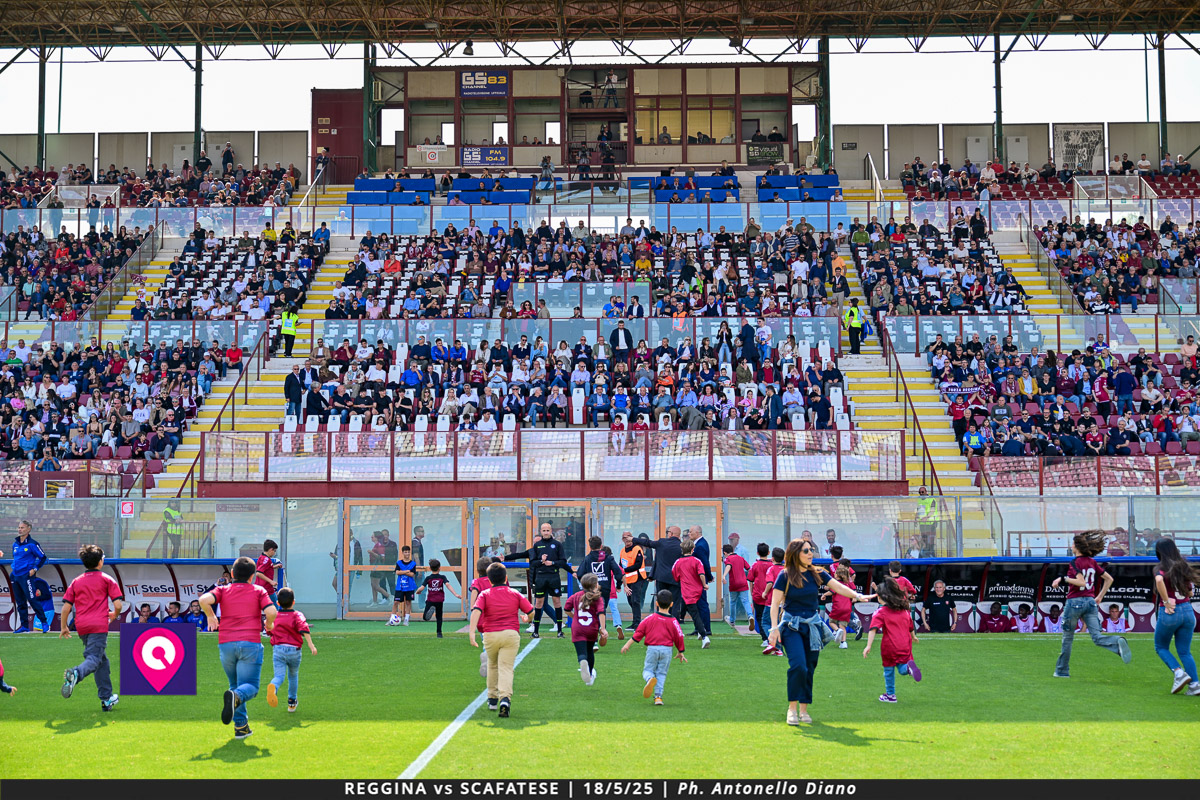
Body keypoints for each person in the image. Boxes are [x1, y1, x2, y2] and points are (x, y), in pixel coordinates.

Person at [766, 539, 871, 726]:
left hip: (813, 626)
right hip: (791, 626)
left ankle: (804, 710)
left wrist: (857, 596)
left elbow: (838, 587)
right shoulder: (785, 575)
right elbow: (774, 604)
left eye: (811, 550)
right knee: (798, 665)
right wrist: (774, 628)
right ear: (795, 553)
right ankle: (792, 709)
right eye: (806, 550)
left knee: (809, 667)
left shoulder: (818, 573)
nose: (810, 553)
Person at [199, 556, 278, 740]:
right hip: (249, 643)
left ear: (232, 574)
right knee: (249, 687)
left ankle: (241, 727)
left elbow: (203, 599)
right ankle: (236, 700)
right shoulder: (258, 590)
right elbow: (271, 611)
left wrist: (211, 616)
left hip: (226, 644)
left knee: (236, 687)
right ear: (252, 576)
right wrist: (269, 625)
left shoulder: (223, 590)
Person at [1050, 530, 1132, 678]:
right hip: (1090, 601)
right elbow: (1109, 579)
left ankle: (1062, 671)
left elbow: (1081, 582)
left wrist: (1063, 579)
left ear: (1076, 547)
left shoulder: (1075, 562)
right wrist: (1100, 596)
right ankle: (1116, 641)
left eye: (1073, 544)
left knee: (1068, 638)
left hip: (1075, 601)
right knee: (1097, 637)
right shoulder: (1092, 562)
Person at [59, 544, 123, 712]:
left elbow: (66, 608)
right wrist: (114, 614)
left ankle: (106, 698)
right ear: (100, 562)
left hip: (82, 626)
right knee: (94, 659)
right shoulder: (107, 579)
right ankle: (76, 674)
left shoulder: (76, 581)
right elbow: (118, 604)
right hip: (98, 625)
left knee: (102, 661)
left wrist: (64, 626)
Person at [468, 562, 533, 718]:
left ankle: (492, 699)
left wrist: (471, 632)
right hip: (510, 634)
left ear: (489, 580)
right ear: (506, 578)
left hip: (490, 635)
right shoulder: (515, 593)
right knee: (506, 668)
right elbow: (531, 611)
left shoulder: (484, 594)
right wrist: (527, 619)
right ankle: (505, 699)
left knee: (492, 665)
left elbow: (476, 611)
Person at [620, 589, 687, 706]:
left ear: (656, 603)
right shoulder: (673, 621)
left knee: (647, 670)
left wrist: (627, 644)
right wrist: (680, 651)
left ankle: (650, 678)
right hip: (667, 650)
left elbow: (639, 632)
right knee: (661, 673)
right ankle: (658, 697)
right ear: (672, 604)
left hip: (652, 649)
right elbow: (679, 636)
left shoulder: (649, 618)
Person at [1151, 538, 1200, 695]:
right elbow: (1191, 592)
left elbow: (1159, 580)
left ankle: (1179, 673)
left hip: (1170, 612)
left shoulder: (1161, 567)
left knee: (1161, 647)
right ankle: (1195, 685)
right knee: (1185, 652)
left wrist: (1165, 601)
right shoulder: (1183, 566)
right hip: (1187, 610)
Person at [862, 576, 922, 703]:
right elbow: (911, 626)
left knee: (888, 670)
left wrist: (868, 646)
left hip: (890, 646)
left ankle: (890, 695)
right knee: (901, 668)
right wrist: (914, 636)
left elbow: (873, 629)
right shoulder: (904, 611)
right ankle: (909, 669)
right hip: (905, 644)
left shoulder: (880, 612)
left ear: (879, 597)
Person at [266, 587, 317, 714]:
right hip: (294, 650)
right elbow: (304, 628)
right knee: (293, 676)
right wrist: (311, 645)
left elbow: (269, 629)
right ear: (293, 602)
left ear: (277, 603)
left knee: (279, 676)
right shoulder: (297, 615)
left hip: (278, 649)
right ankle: (292, 702)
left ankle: (274, 686)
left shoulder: (275, 616)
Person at [521, 522, 571, 638]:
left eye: (548, 530)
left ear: (551, 531)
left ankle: (559, 630)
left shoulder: (557, 545)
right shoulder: (537, 545)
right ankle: (536, 631)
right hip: (541, 577)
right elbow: (533, 563)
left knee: (556, 602)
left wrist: (552, 563)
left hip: (554, 577)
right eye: (544, 531)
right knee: (538, 603)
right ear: (541, 531)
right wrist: (541, 561)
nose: (546, 533)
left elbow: (563, 561)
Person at [576, 535, 625, 638]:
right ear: (601, 546)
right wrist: (619, 585)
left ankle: (596, 635)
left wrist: (585, 586)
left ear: (590, 547)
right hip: (605, 589)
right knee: (601, 610)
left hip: (591, 589)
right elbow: (618, 573)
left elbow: (580, 573)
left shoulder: (588, 559)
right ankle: (602, 630)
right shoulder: (608, 558)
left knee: (593, 611)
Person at [564, 573, 607, 685]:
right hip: (591, 628)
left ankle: (582, 661)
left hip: (578, 628)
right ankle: (590, 675)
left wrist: (575, 617)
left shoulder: (575, 596)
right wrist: (603, 628)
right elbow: (601, 613)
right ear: (595, 585)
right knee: (590, 651)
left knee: (582, 653)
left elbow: (566, 608)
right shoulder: (597, 597)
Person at [9, 519, 50, 633]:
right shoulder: (15, 544)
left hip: (26, 576)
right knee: (20, 601)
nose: (19, 529)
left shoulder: (33, 544)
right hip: (15, 576)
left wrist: (35, 569)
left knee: (32, 600)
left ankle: (44, 623)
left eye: (22, 528)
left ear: (28, 529)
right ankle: (24, 626)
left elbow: (43, 557)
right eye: (19, 527)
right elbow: (16, 558)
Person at [637, 526, 684, 619]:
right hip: (676, 579)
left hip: (662, 578)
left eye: (667, 532)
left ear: (670, 533)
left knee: (662, 601)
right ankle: (674, 623)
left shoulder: (662, 542)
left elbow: (647, 542)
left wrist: (633, 539)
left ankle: (661, 620)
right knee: (675, 602)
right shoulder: (681, 546)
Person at [417, 559, 460, 638]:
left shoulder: (428, 578)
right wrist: (455, 594)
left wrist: (418, 591)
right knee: (439, 617)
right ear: (439, 568)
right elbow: (448, 585)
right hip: (439, 600)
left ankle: (430, 610)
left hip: (430, 600)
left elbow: (422, 587)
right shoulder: (442, 577)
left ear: (430, 568)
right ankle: (439, 633)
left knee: (425, 617)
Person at [618, 531, 649, 629]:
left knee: (635, 600)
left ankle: (637, 623)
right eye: (624, 537)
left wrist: (624, 570)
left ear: (632, 538)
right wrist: (619, 582)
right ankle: (637, 621)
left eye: (628, 537)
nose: (626, 539)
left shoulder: (637, 549)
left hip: (638, 578)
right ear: (622, 540)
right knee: (630, 601)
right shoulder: (623, 551)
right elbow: (620, 566)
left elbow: (638, 564)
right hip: (628, 580)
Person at [747, 543, 776, 645]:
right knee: (770, 617)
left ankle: (765, 639)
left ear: (757, 553)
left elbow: (750, 579)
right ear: (768, 552)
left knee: (759, 617)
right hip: (770, 595)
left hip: (758, 595)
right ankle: (770, 637)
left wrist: (752, 592)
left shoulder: (755, 565)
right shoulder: (772, 565)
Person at [821, 563, 856, 648]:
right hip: (847, 607)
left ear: (837, 575)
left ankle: (837, 630)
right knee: (842, 625)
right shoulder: (848, 584)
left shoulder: (836, 584)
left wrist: (824, 594)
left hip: (838, 606)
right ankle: (843, 643)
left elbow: (832, 591)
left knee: (831, 622)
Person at [722, 543, 754, 631]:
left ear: (725, 553)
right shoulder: (741, 558)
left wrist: (724, 575)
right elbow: (749, 568)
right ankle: (750, 615)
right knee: (746, 601)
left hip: (734, 584)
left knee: (733, 602)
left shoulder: (727, 559)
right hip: (743, 583)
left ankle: (732, 620)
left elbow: (729, 565)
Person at [390, 546, 418, 626]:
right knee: (396, 602)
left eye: (408, 552)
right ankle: (391, 618)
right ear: (402, 553)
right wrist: (406, 571)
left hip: (409, 586)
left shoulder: (413, 564)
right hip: (400, 586)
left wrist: (402, 572)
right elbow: (397, 572)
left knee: (408, 602)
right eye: (405, 552)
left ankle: (406, 619)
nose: (407, 553)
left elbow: (412, 574)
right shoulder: (399, 563)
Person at [254, 539, 282, 606]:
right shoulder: (266, 560)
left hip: (260, 587)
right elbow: (259, 573)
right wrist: (271, 581)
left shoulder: (262, 557)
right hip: (266, 588)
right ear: (270, 550)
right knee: (275, 605)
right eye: (274, 551)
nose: (274, 553)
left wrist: (275, 566)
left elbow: (266, 568)